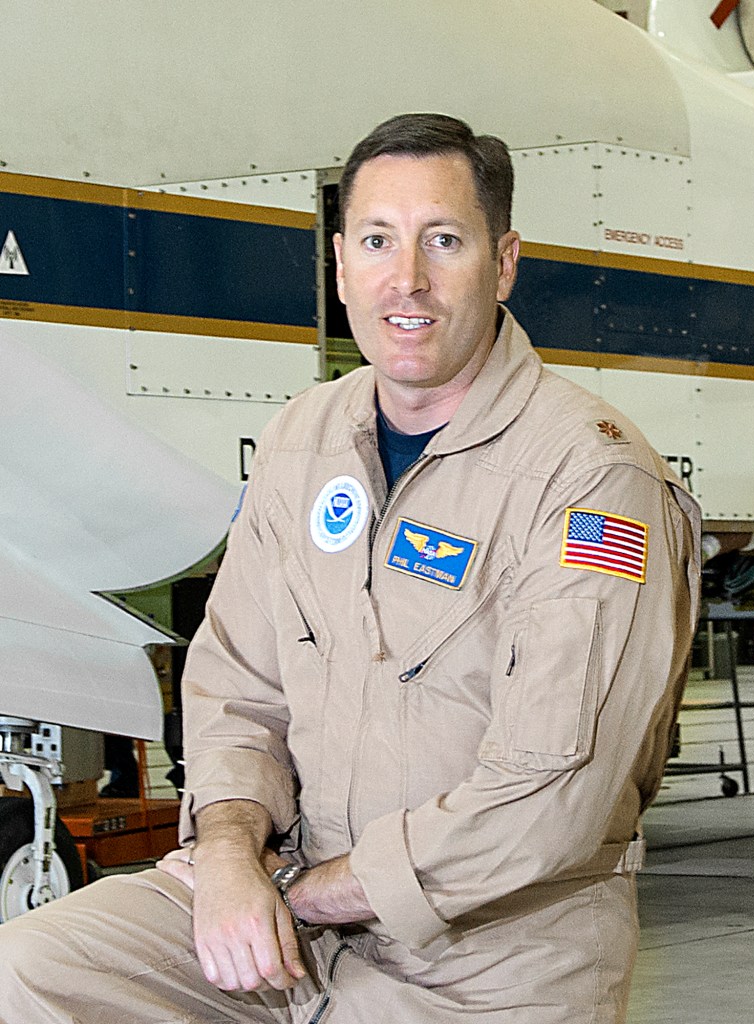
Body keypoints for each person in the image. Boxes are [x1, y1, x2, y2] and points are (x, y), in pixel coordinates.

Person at [0, 113, 700, 1023]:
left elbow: (547, 802)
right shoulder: (307, 436)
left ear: (506, 260)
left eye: (442, 241)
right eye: (377, 241)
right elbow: (238, 688)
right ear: (339, 264)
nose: (405, 280)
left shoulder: (591, 478)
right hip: (293, 916)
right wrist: (223, 857)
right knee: (34, 973)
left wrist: (290, 895)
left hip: (482, 961)